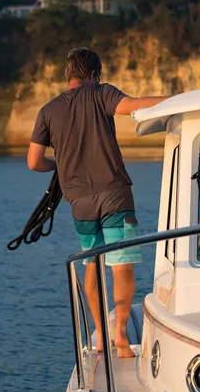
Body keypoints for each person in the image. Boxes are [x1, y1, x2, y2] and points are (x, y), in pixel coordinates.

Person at [27, 47, 170, 358]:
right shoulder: (100, 93)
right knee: (122, 264)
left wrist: (59, 165)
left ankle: (101, 334)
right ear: (94, 74)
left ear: (69, 76)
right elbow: (132, 106)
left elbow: (34, 161)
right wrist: (176, 99)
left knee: (92, 261)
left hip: (79, 200)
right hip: (115, 193)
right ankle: (120, 333)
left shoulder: (47, 111)